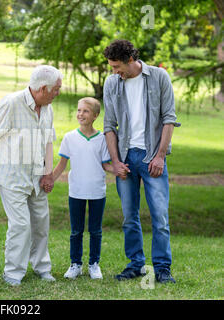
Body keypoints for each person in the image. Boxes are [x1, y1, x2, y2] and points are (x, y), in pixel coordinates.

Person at [103, 39, 178, 283]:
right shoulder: (112, 83)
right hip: (125, 158)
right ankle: (135, 264)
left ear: (130, 61)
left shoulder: (158, 77)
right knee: (129, 217)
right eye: (111, 67)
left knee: (160, 218)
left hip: (151, 158)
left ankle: (162, 268)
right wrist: (115, 161)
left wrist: (159, 156)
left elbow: (169, 118)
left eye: (116, 67)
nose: (114, 72)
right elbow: (109, 125)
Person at [0, 65, 62, 286]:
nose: (58, 93)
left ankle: (42, 268)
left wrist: (48, 173)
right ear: (42, 88)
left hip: (37, 176)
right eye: (56, 89)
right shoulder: (11, 103)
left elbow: (48, 141)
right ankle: (13, 272)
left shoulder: (47, 107)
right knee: (21, 224)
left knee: (41, 223)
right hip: (13, 176)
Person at [52, 97, 113, 280]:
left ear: (95, 115)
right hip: (76, 191)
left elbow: (106, 165)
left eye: (85, 111)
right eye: (79, 110)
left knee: (95, 231)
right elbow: (62, 164)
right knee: (76, 230)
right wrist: (50, 180)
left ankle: (94, 264)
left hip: (97, 191)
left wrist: (120, 171)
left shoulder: (102, 139)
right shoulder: (70, 138)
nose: (80, 114)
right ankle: (75, 264)